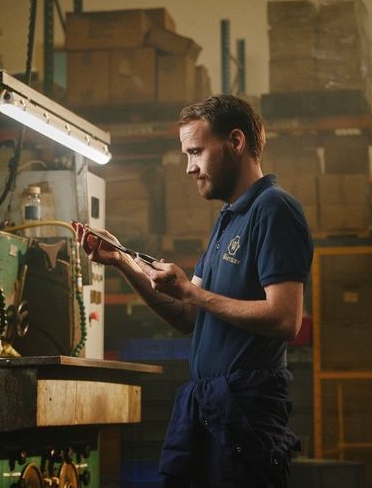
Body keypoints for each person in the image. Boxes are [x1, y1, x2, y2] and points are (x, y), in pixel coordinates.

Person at [81, 94, 313, 487]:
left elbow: (285, 319)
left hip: (245, 413)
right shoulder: (227, 220)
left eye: (196, 152)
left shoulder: (273, 209)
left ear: (236, 142)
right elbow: (188, 314)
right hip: (206, 405)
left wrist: (191, 292)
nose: (189, 168)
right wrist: (122, 261)